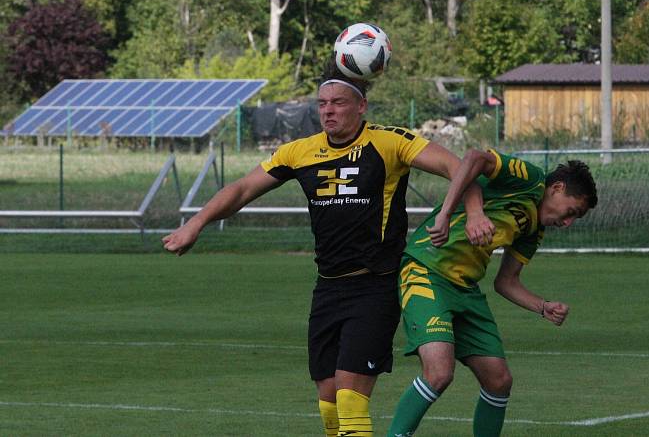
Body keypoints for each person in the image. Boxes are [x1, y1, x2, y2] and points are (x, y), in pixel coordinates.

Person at [162, 61, 492, 437]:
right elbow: (240, 189)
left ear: (361, 106)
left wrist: (474, 212)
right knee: (329, 403)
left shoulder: (390, 142)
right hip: (327, 289)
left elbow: (460, 168)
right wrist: (195, 224)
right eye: (322, 104)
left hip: (375, 287)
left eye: (337, 103)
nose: (328, 111)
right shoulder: (299, 152)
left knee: (351, 400)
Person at [387, 149, 598, 437]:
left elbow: (506, 281)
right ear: (557, 188)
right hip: (427, 269)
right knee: (439, 372)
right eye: (571, 211)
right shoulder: (531, 179)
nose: (568, 222)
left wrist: (542, 306)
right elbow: (475, 158)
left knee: (499, 380)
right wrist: (465, 214)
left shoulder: (533, 230)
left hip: (465, 288)